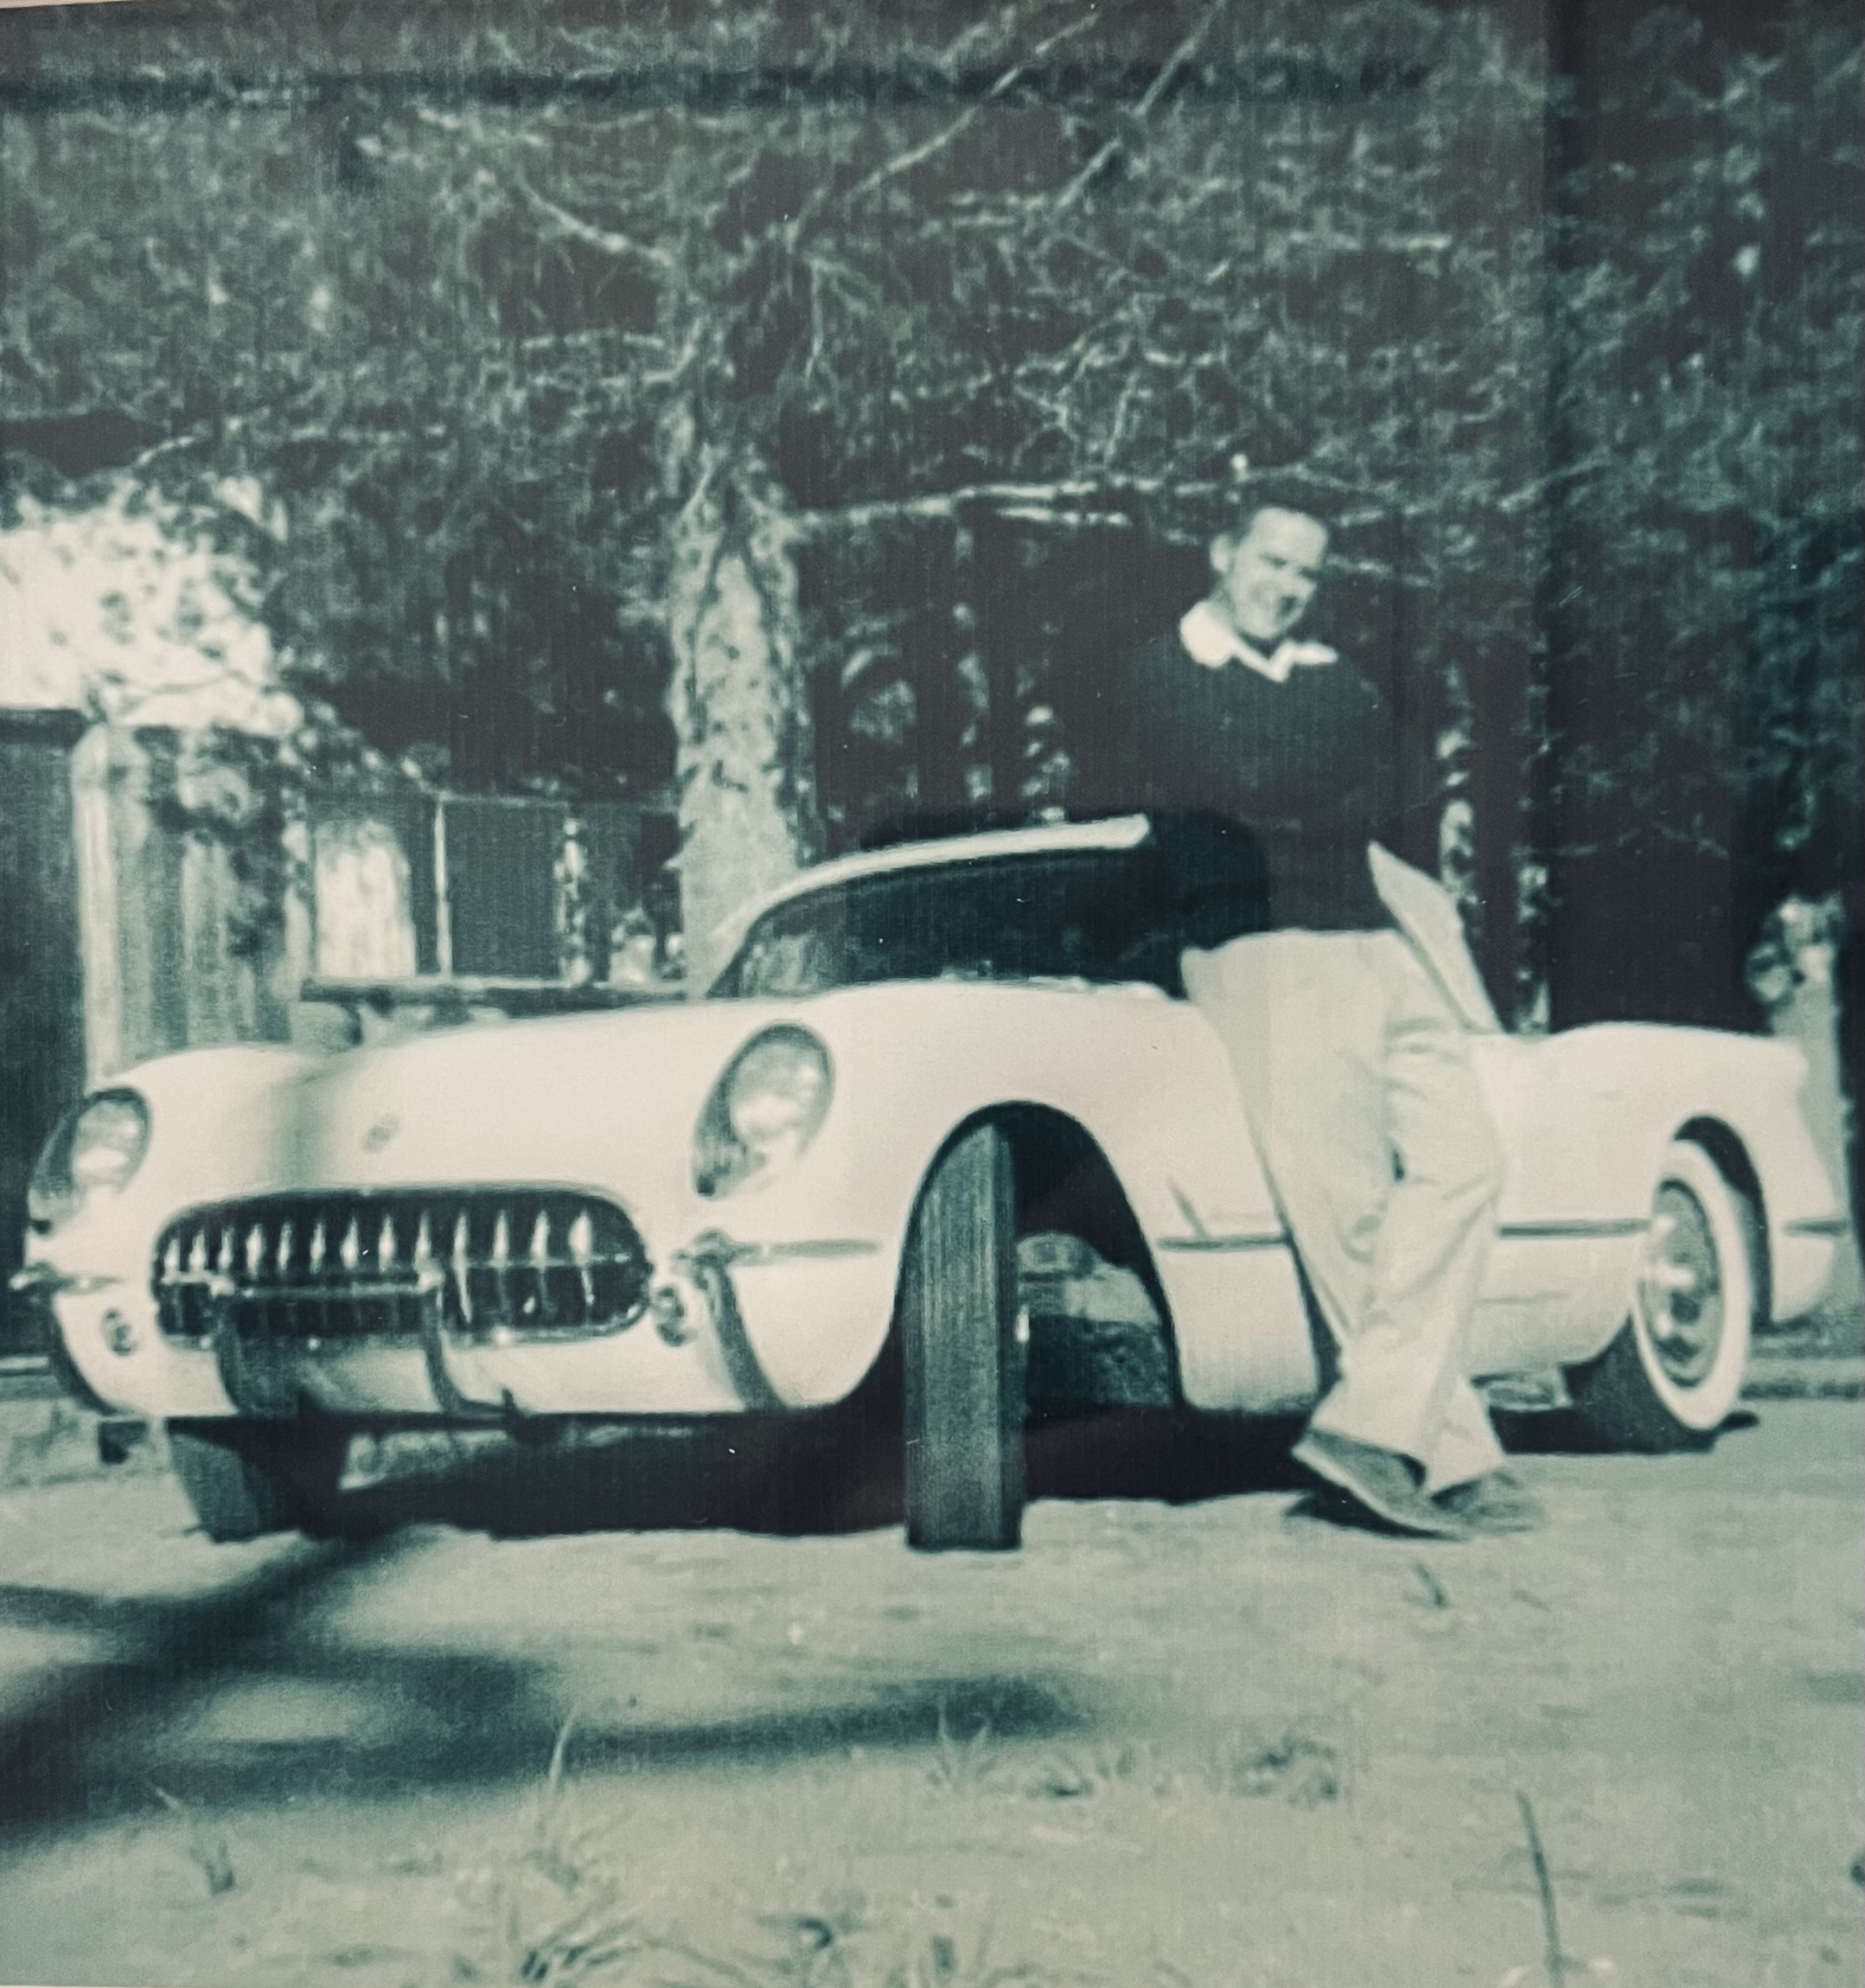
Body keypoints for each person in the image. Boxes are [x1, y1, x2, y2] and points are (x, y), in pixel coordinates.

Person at [1082, 488, 1542, 1537]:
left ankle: (1375, 1428)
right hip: (1266, 956)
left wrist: (1295, 789)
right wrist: (1302, 787)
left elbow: (1392, 787)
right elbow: (1231, 790)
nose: (1287, 588)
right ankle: (1448, 1449)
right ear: (1223, 553)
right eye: (1272, 562)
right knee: (1349, 1215)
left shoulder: (1337, 680)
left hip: (1380, 945)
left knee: (1469, 1164)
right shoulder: (1163, 674)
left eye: (1306, 573)